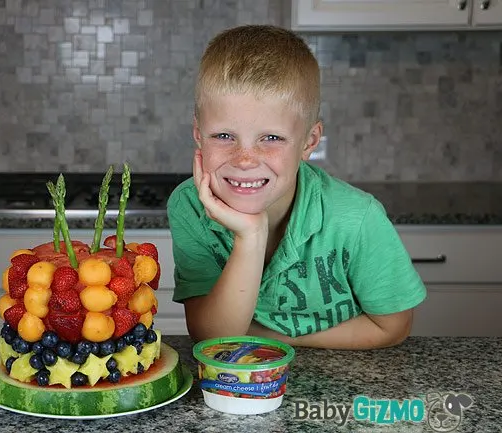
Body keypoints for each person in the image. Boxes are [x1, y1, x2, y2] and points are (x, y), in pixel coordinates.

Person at [167, 25, 427, 350]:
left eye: (272, 138)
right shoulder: (189, 205)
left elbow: (393, 326)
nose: (245, 159)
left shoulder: (357, 218)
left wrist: (274, 339)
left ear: (309, 141)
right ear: (197, 134)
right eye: (223, 136)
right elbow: (213, 339)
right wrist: (251, 236)